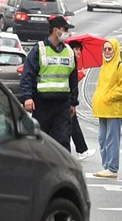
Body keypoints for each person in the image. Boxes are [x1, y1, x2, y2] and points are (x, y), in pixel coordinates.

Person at [20, 14, 78, 151]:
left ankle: (62, 170)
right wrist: (27, 97)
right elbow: (28, 74)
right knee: (41, 140)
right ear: (55, 30)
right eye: (64, 29)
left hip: (62, 105)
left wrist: (73, 102)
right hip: (42, 104)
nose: (66, 33)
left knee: (63, 140)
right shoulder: (39, 50)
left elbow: (73, 79)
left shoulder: (69, 52)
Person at [91, 38, 122, 179]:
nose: (107, 52)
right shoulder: (104, 66)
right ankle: (106, 167)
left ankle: (112, 168)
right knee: (102, 139)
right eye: (105, 49)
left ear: (115, 50)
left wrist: (110, 97)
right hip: (103, 109)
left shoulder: (121, 67)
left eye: (110, 49)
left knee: (111, 139)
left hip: (114, 109)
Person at [67, 39, 96, 162]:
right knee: (70, 126)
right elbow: (69, 82)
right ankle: (80, 151)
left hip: (68, 100)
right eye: (76, 49)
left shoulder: (74, 63)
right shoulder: (69, 62)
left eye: (80, 49)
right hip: (66, 100)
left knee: (72, 126)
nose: (78, 52)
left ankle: (81, 150)